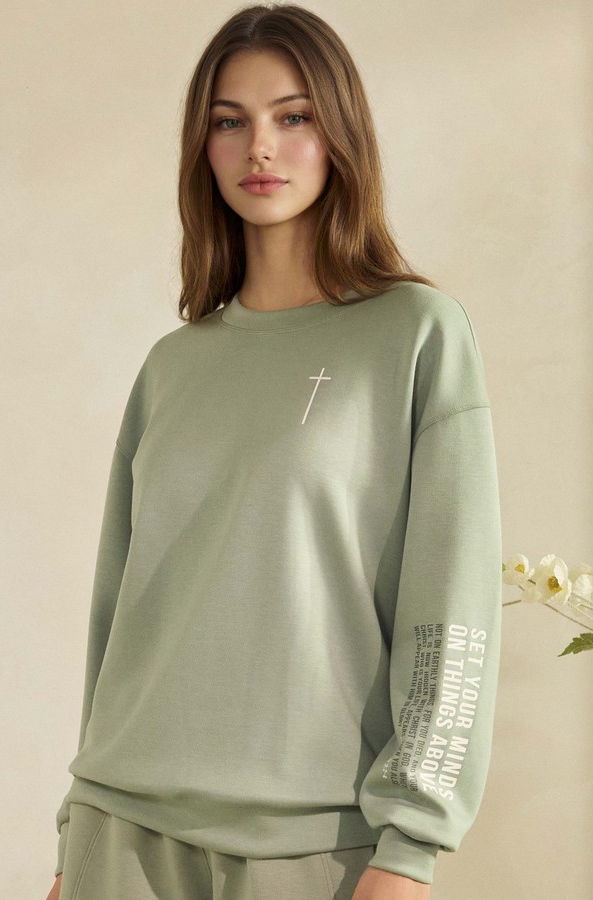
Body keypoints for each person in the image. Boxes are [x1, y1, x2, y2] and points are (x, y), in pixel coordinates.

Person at [46, 4, 502, 899]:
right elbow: (118, 613)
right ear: (203, 147)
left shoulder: (416, 335)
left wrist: (411, 844)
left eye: (293, 116)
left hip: (313, 843)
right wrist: (76, 837)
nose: (260, 147)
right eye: (230, 122)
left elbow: (451, 611)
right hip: (120, 834)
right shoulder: (173, 366)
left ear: (341, 134)